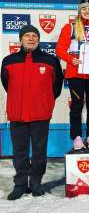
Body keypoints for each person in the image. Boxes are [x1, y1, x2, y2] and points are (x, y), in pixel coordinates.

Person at [1, 25, 63, 200]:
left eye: (34, 35)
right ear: (21, 39)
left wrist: (45, 100)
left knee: (39, 151)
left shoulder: (50, 60)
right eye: (27, 35)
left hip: (40, 113)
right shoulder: (8, 61)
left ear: (38, 39)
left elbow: (56, 85)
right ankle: (20, 184)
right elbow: (7, 84)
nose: (31, 38)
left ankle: (35, 182)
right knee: (19, 151)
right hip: (17, 113)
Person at [56, 0, 89, 150]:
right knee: (77, 106)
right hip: (75, 73)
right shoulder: (69, 28)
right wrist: (71, 60)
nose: (87, 11)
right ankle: (77, 137)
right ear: (79, 11)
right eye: (84, 9)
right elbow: (60, 49)